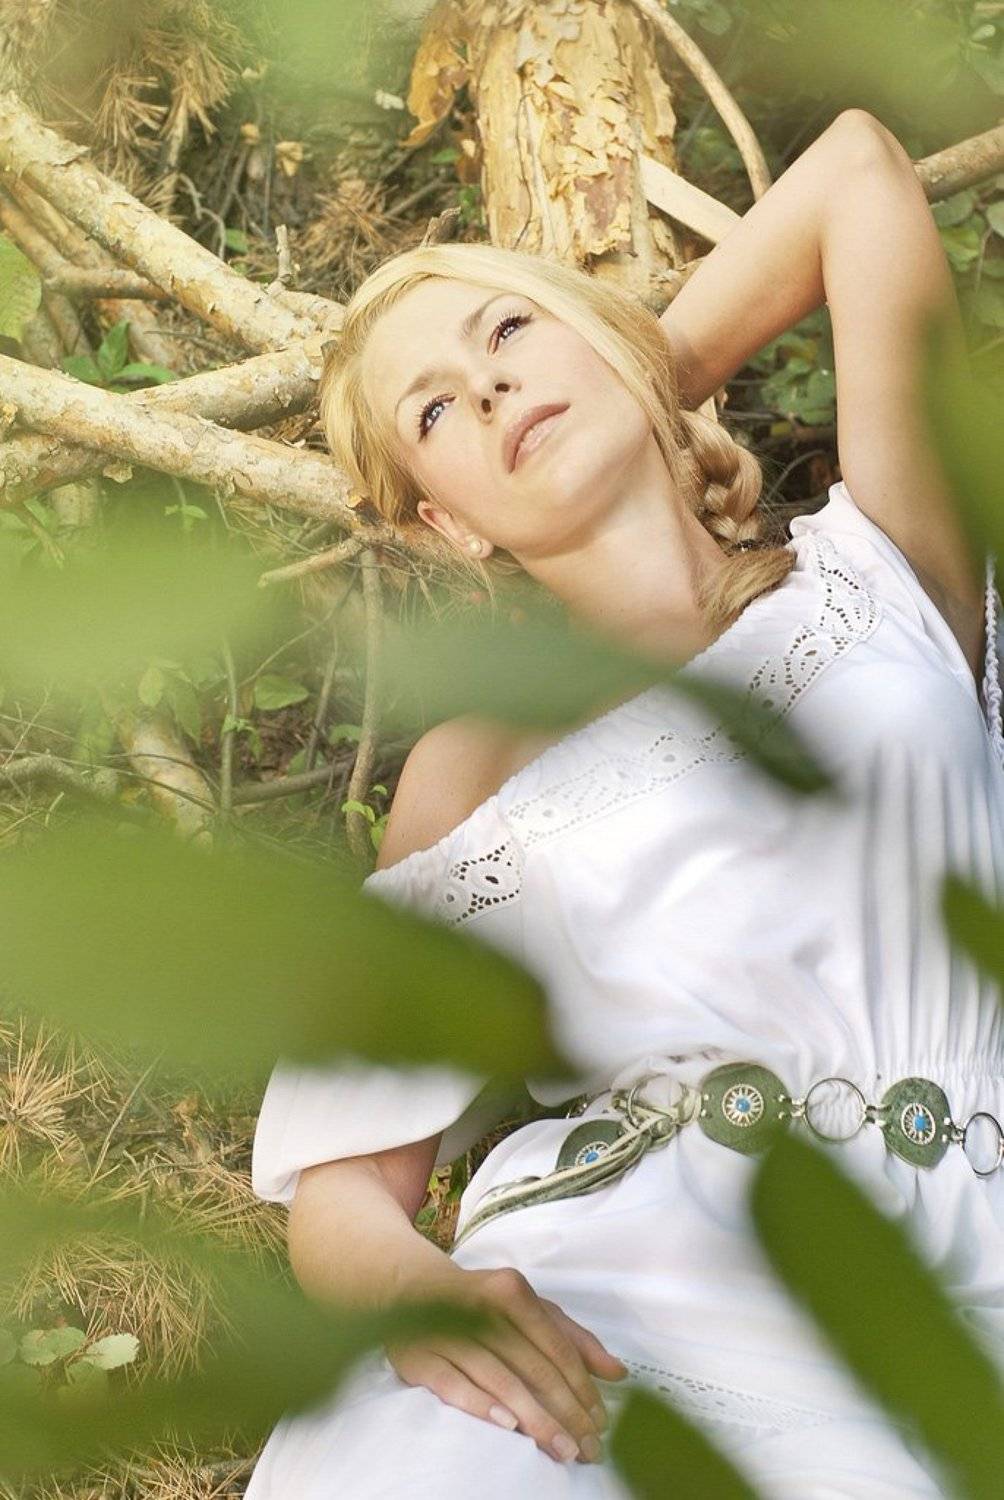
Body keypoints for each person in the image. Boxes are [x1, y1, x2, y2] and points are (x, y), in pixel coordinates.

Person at [245, 108, 1004, 1498]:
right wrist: (422, 1298)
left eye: (508, 334)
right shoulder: (475, 765)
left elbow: (857, 170)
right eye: (433, 413)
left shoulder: (885, 565)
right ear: (444, 524)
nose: (486, 389)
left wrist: (633, 379)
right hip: (616, 1310)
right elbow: (349, 1177)